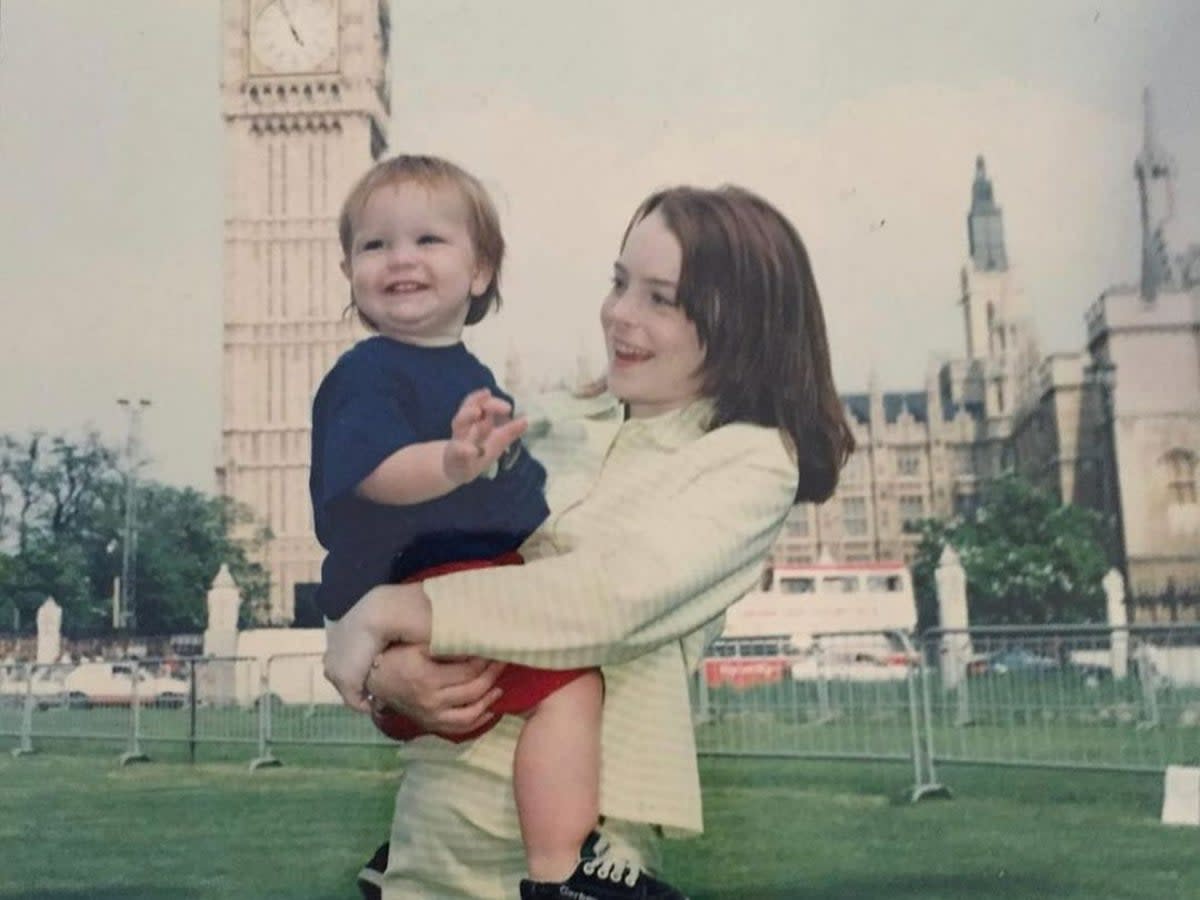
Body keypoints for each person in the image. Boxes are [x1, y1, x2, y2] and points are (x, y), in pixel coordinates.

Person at [323, 183, 856, 900]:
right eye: (618, 282)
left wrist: (391, 613)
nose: (618, 315)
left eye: (659, 298)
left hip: (572, 839)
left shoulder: (751, 460)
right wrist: (383, 672)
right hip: (436, 823)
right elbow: (394, 529)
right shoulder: (551, 418)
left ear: (741, 326)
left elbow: (604, 598)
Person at [312, 155, 642, 897]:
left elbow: (526, 504)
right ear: (349, 270)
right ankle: (564, 877)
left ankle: (404, 855)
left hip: (441, 602)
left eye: (428, 240)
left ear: (481, 271)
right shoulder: (367, 374)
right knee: (571, 684)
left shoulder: (476, 381)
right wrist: (456, 462)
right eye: (375, 245)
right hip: (426, 591)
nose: (400, 258)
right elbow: (378, 472)